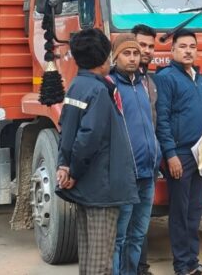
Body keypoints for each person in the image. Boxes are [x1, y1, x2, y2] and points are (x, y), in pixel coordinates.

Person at [55, 28, 139, 275]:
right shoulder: (99, 90)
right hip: (102, 187)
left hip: (87, 187)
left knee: (89, 254)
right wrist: (75, 171)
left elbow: (67, 131)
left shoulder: (76, 86)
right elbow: (89, 137)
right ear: (104, 59)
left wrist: (66, 166)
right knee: (101, 261)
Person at [155, 29, 202, 275]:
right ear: (172, 51)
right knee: (180, 212)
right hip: (180, 155)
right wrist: (170, 154)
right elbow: (161, 119)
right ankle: (182, 265)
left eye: (192, 46)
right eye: (182, 46)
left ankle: (193, 263)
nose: (188, 50)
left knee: (195, 211)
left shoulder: (199, 79)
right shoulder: (166, 78)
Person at [109, 34, 161, 275]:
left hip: (148, 172)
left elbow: (152, 123)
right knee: (119, 237)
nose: (132, 58)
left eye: (135, 54)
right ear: (115, 56)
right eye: (126, 53)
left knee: (138, 235)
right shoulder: (110, 86)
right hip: (126, 175)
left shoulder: (144, 84)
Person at [131, 24, 158, 275]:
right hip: (127, 166)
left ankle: (142, 268)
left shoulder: (149, 82)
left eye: (151, 46)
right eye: (142, 45)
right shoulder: (117, 82)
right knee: (125, 226)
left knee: (141, 224)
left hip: (149, 164)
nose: (146, 51)